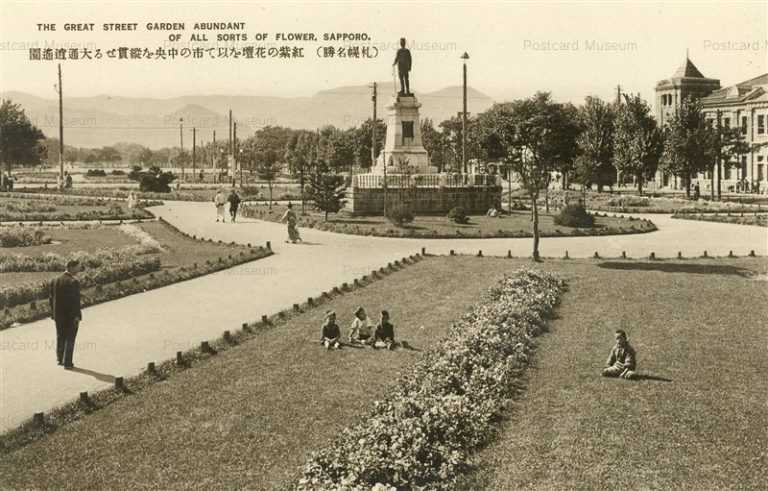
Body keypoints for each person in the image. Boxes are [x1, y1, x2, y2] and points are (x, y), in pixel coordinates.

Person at [49, 260, 82, 369]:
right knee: (70, 338)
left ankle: (60, 359)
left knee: (60, 336)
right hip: (71, 316)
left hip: (58, 315)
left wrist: (53, 313)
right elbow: (75, 301)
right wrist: (77, 316)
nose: (79, 269)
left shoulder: (55, 280)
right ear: (71, 267)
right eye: (77, 267)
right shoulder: (74, 281)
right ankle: (68, 362)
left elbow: (51, 298)